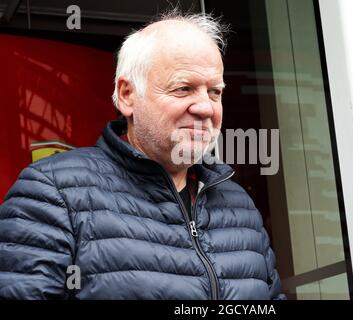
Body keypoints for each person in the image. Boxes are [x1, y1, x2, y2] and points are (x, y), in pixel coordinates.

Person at [0, 10, 285, 300]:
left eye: (214, 92)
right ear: (126, 95)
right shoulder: (53, 192)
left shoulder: (240, 207)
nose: (205, 108)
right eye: (183, 88)